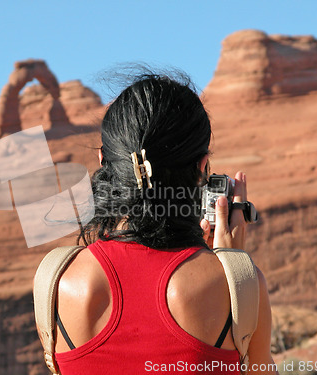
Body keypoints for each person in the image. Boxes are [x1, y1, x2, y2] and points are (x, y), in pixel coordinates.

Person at [52, 73, 276, 374]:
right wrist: (232, 269)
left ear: (104, 159)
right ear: (201, 166)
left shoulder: (56, 282)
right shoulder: (240, 285)